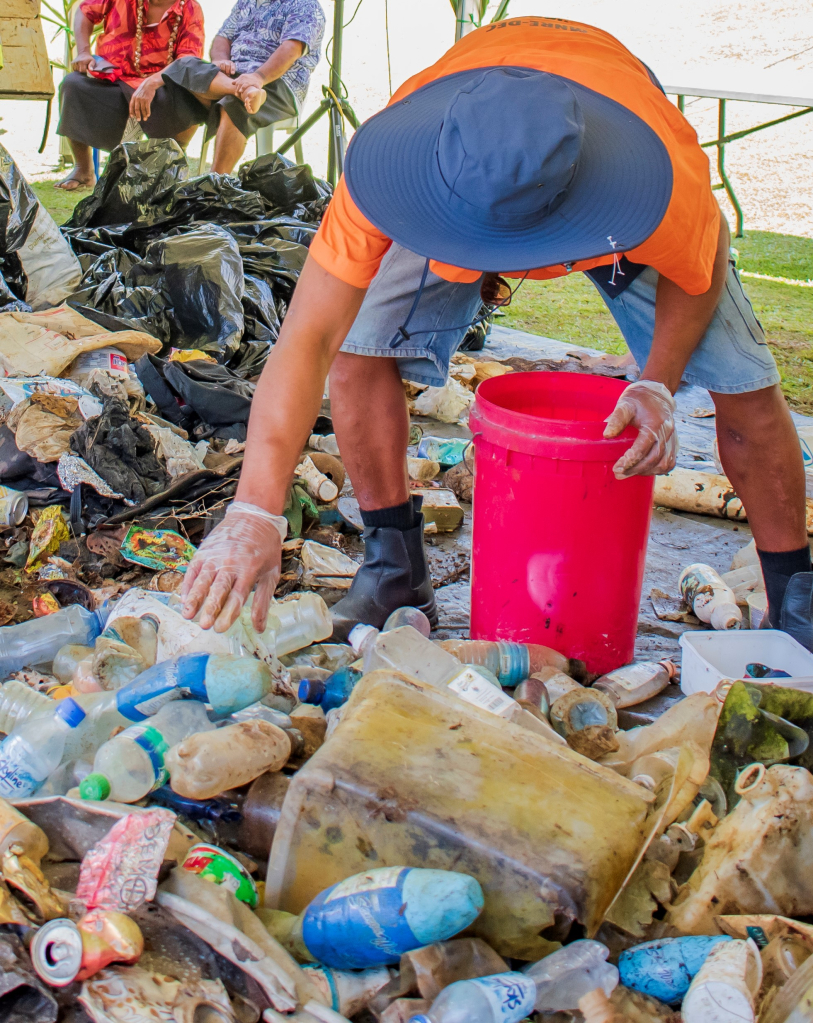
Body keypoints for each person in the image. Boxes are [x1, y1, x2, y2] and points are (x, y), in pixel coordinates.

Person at [180, 17, 813, 652]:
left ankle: (795, 600)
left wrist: (658, 384)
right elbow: (309, 338)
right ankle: (394, 571)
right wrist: (255, 510)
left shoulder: (658, 178)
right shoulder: (384, 174)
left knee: (748, 390)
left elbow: (696, 271)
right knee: (358, 350)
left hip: (597, 171)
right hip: (458, 178)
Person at [157, 0, 326, 174]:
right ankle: (167, 172)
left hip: (278, 83)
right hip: (235, 77)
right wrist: (221, 60)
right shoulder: (247, 2)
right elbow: (223, 37)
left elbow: (292, 49)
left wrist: (258, 78)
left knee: (234, 104)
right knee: (184, 70)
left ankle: (215, 185)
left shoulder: (305, 5)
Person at [56, 0, 206, 191]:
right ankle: (83, 169)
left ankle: (170, 164)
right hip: (113, 78)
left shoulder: (190, 9)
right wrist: (84, 52)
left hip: (161, 83)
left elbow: (187, 60)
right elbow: (85, 11)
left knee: (189, 97)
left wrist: (152, 83)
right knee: (73, 85)